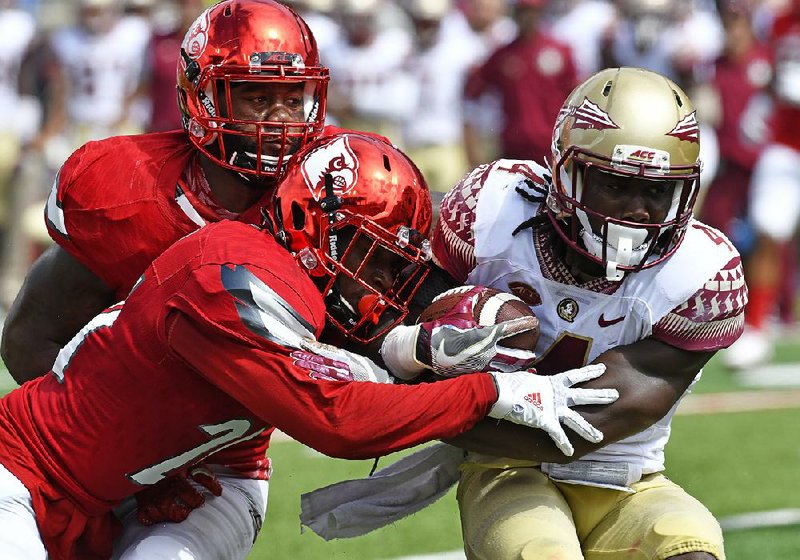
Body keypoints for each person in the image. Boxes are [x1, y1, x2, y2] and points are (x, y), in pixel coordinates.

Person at [0, 131, 617, 560]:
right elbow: (336, 417)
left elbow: (344, 371)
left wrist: (416, 352)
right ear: (313, 227)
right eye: (373, 259)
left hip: (208, 474)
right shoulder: (228, 272)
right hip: (27, 471)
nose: (383, 285)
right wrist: (488, 392)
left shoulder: (300, 278)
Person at [2, 0, 347, 557]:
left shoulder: (334, 193)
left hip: (223, 466)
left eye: (292, 97)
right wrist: (126, 454)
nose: (281, 119)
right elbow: (27, 339)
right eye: (257, 97)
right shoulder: (127, 190)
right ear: (201, 97)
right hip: (98, 441)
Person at [378, 67, 746, 559]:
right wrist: (416, 349)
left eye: (657, 191)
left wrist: (425, 403)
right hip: (504, 467)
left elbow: (589, 422)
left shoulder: (701, 273)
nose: (637, 209)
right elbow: (405, 316)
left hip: (624, 475)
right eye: (615, 184)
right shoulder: (492, 208)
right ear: (564, 172)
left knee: (692, 549)